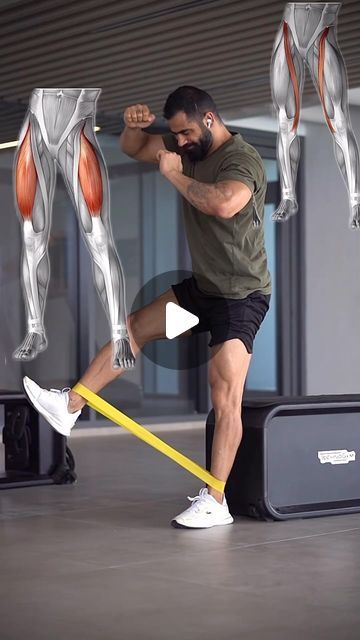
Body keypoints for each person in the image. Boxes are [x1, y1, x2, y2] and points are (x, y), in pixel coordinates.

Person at [23, 86, 272, 529]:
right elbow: (137, 148)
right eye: (174, 134)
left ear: (209, 120)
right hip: (203, 291)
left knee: (224, 396)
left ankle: (216, 501)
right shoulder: (188, 146)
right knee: (134, 328)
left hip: (240, 297)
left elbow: (224, 204)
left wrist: (174, 175)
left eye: (186, 133)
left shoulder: (241, 159)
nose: (179, 142)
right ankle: (71, 406)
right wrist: (131, 125)